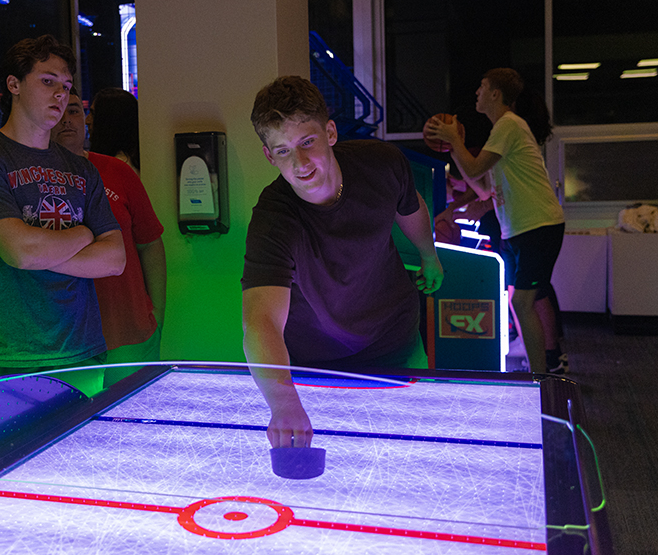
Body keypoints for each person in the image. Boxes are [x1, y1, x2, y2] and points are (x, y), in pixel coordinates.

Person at [242, 76, 444, 449]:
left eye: (307, 142)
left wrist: (429, 256)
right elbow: (260, 321)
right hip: (315, 361)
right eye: (283, 151)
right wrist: (284, 402)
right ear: (270, 156)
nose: (300, 162)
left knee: (414, 446)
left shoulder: (382, 163)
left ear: (330, 132)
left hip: (394, 339)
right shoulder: (273, 219)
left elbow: (410, 207)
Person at [0, 35, 125, 395]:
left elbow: (114, 259)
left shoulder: (79, 168)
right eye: (47, 81)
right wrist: (82, 235)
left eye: (66, 86)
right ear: (14, 85)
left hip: (83, 349)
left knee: (82, 451)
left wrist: (39, 251)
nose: (60, 95)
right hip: (12, 354)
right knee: (14, 453)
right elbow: (21, 252)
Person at [426, 68, 565, 375]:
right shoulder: (502, 130)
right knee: (519, 301)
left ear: (495, 94)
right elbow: (483, 187)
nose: (477, 92)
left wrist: (453, 140)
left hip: (538, 225)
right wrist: (454, 146)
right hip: (519, 228)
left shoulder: (508, 125)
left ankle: (540, 376)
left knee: (524, 303)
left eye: (482, 86)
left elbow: (474, 169)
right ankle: (538, 368)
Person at [54, 87, 166, 387]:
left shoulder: (118, 171)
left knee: (136, 424)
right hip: (65, 342)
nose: (67, 120)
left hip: (131, 332)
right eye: (59, 112)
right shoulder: (31, 181)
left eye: (75, 110)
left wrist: (156, 315)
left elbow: (150, 244)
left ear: (86, 119)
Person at [86, 87, 141, 173]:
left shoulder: (116, 168)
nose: (87, 121)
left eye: (93, 114)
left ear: (109, 122)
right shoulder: (135, 162)